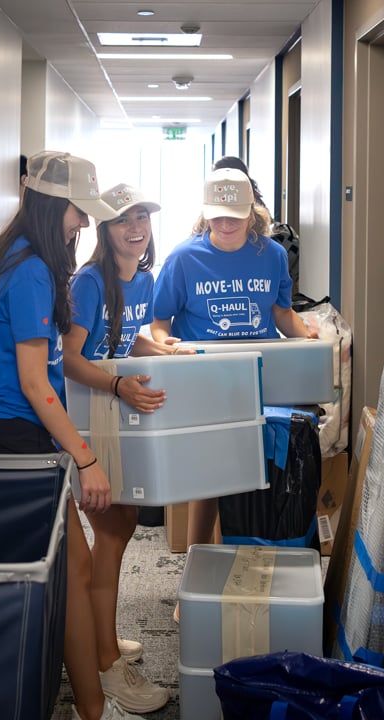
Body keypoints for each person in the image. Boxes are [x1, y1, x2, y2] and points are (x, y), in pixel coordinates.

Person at [0, 152, 168, 720]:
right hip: (5, 429)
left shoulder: (30, 260)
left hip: (13, 428)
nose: (83, 225)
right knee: (73, 567)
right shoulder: (28, 269)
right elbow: (34, 380)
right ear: (55, 206)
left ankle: (90, 701)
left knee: (72, 569)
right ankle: (94, 706)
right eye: (80, 212)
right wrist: (84, 458)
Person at [151, 167, 317, 574]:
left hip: (258, 378)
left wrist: (306, 335)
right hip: (205, 380)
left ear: (251, 213)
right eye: (217, 215)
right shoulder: (183, 258)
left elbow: (281, 313)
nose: (225, 224)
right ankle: (198, 571)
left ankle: (246, 571)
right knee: (209, 481)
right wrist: (165, 345)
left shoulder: (272, 255)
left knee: (252, 474)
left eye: (235, 216)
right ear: (205, 214)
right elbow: (159, 322)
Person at [65, 183, 188, 687]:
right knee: (113, 534)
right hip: (91, 415)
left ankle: (103, 637)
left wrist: (163, 351)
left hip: (117, 415)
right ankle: (103, 660)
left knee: (121, 528)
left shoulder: (142, 278)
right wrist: (118, 384)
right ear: (105, 228)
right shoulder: (89, 282)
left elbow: (125, 333)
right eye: (123, 220)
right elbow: (71, 359)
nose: (135, 228)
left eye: (142, 218)